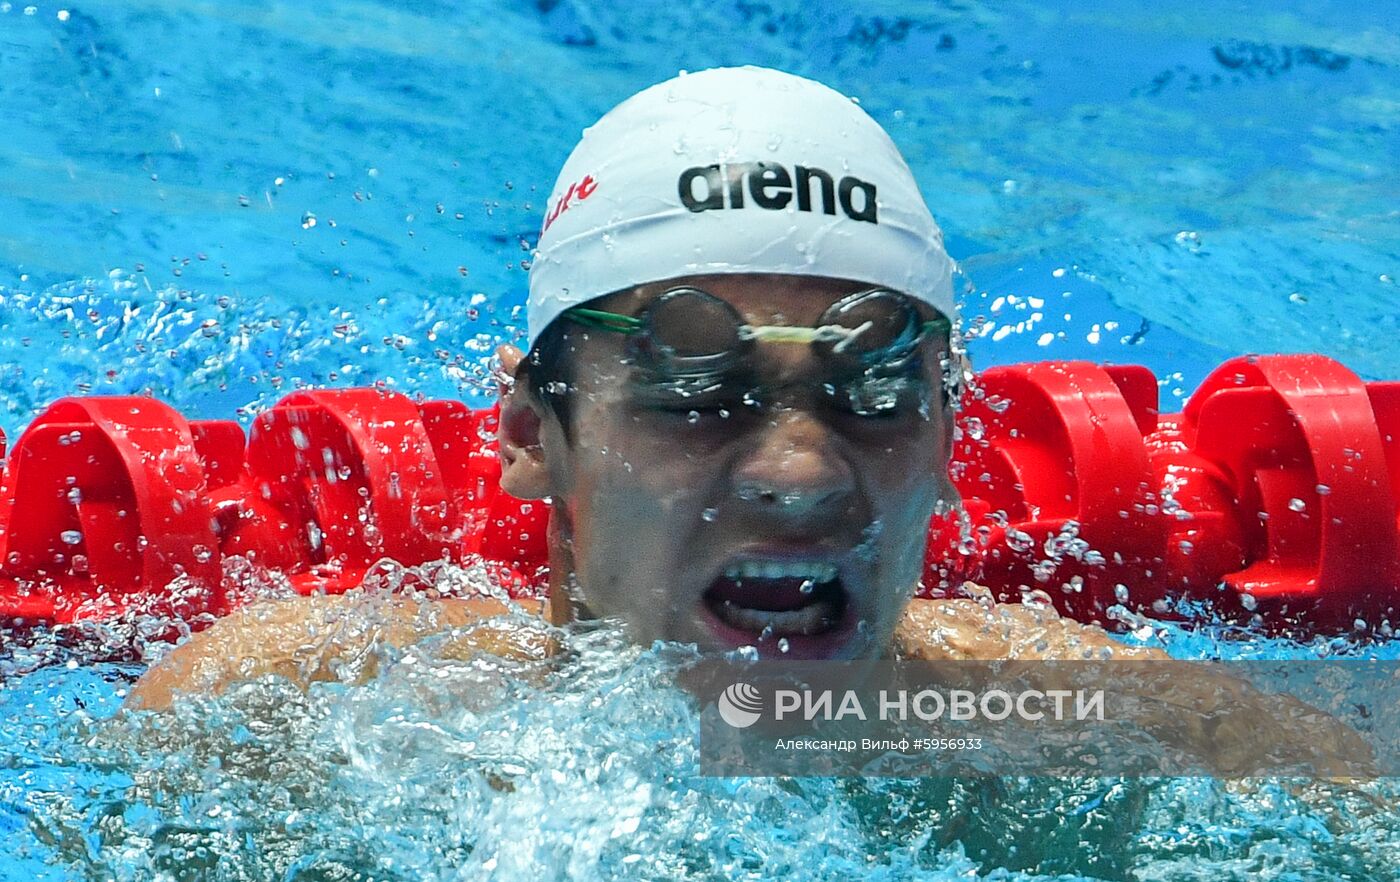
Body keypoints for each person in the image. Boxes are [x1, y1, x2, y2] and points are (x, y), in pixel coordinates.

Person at [122, 71, 1370, 779]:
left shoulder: (1124, 741)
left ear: (947, 436)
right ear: (524, 434)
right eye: (691, 395)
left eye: (874, 391)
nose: (797, 472)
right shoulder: (287, 726)